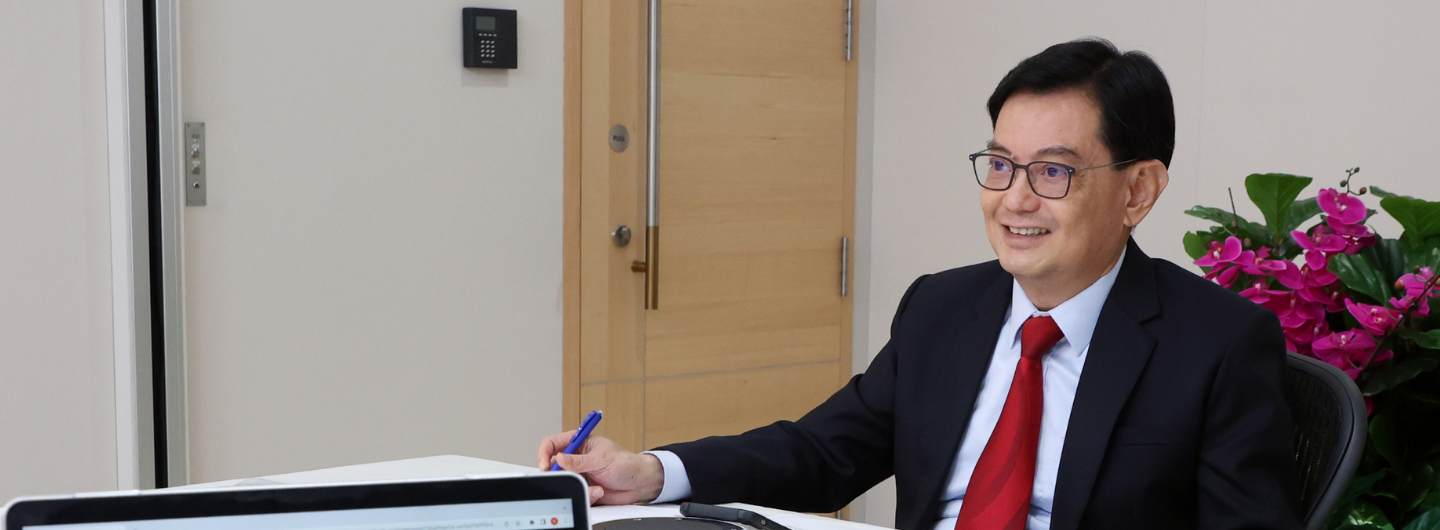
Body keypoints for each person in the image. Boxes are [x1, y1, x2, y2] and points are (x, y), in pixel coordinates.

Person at [538, 38, 1299, 530]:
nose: (1014, 199)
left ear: (1138, 191)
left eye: (1053, 172)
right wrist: (647, 472)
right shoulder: (943, 306)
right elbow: (822, 452)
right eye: (999, 165)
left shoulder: (1218, 344)